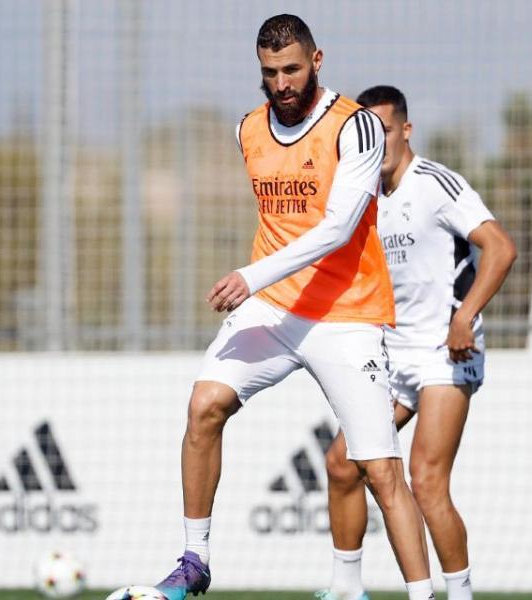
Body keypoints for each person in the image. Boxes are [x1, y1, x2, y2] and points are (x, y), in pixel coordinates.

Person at [154, 15, 435, 600]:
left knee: (381, 469)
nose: (281, 83)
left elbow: (336, 230)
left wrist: (248, 276)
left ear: (317, 61)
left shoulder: (355, 128)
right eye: (269, 72)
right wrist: (260, 285)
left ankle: (422, 596)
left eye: (292, 69)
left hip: (347, 315)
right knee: (204, 404)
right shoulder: (248, 130)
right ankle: (194, 559)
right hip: (276, 309)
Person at [319, 85, 516, 600]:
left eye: (384, 130)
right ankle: (347, 590)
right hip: (393, 358)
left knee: (427, 481)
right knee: (342, 464)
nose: (376, 142)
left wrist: (465, 318)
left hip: (446, 353)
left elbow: (501, 247)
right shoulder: (361, 196)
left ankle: (459, 595)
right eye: (366, 133)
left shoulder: (435, 184)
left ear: (406, 130)